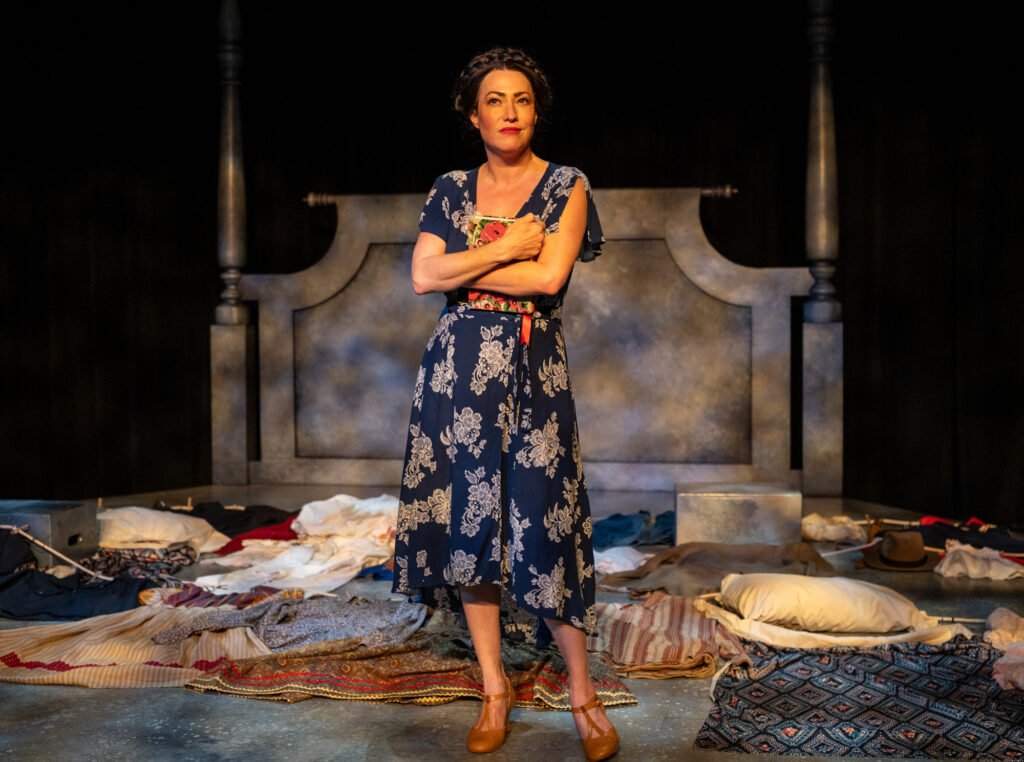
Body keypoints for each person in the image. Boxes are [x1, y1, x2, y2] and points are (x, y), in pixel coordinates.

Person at [392, 47, 618, 761]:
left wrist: (470, 262)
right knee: (472, 528)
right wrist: (509, 245)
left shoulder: (566, 185)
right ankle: (494, 689)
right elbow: (423, 275)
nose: (510, 112)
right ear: (473, 115)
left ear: (535, 112)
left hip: (531, 371)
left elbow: (548, 279)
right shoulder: (451, 188)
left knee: (545, 526)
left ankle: (582, 693)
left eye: (521, 99)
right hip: (456, 373)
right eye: (495, 100)